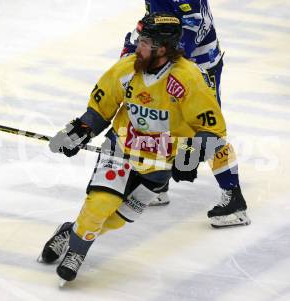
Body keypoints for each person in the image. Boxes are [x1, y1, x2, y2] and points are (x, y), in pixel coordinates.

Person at [38, 12, 248, 283]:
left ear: (163, 49)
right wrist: (81, 130)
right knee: (100, 204)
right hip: (121, 147)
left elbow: (213, 128)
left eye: (145, 42)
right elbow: (101, 107)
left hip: (158, 165)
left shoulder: (188, 79)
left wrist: (191, 154)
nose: (138, 46)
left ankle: (71, 232)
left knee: (118, 218)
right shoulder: (127, 68)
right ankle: (76, 253)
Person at [121, 0, 250, 228]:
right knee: (159, 119)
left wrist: (158, 55)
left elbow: (196, 26)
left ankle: (234, 199)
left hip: (198, 67)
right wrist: (137, 47)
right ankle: (158, 182)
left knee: (207, 128)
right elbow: (154, 17)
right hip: (166, 61)